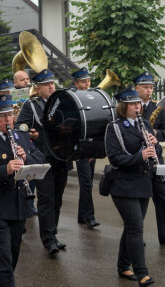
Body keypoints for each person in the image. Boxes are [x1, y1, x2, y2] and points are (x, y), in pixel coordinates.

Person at [0, 94, 45, 287]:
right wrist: (6, 169)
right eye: (3, 116)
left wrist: (26, 157)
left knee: (11, 258)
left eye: (10, 115)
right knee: (3, 261)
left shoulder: (21, 135)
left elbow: (40, 157)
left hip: (19, 203)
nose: (8, 120)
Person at [104, 86, 157, 287]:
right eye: (134, 104)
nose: (138, 106)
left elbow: (155, 149)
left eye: (138, 103)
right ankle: (142, 273)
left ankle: (123, 266)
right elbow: (115, 158)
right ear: (124, 106)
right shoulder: (114, 127)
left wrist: (155, 142)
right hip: (123, 185)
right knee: (136, 227)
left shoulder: (144, 124)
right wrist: (139, 156)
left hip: (143, 182)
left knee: (131, 227)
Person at [15, 69, 69, 256]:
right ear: (37, 88)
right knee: (46, 199)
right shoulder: (31, 106)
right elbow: (19, 128)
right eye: (47, 84)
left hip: (60, 157)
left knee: (58, 198)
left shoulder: (61, 102)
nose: (51, 86)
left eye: (52, 83)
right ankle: (48, 240)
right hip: (42, 158)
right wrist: (33, 136)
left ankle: (53, 234)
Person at [134, 71, 165, 246]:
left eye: (151, 87)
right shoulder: (131, 106)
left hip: (156, 158)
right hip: (139, 158)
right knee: (141, 199)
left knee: (161, 196)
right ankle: (137, 235)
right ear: (136, 88)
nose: (149, 90)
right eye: (145, 87)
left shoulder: (158, 107)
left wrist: (156, 134)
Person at [71, 67, 100, 229]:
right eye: (83, 82)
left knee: (87, 182)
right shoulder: (73, 98)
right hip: (80, 147)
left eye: (88, 81)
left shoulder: (91, 97)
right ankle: (90, 217)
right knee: (87, 182)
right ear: (76, 83)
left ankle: (82, 215)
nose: (87, 84)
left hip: (91, 145)